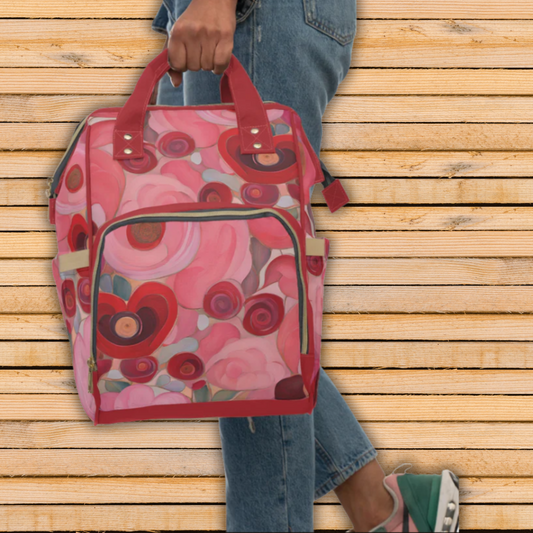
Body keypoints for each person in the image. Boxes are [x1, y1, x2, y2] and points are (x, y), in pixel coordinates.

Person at [150, 1, 460, 531]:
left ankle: (381, 508)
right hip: (251, 20)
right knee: (243, 309)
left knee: (246, 320)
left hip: (255, 18)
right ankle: (383, 509)